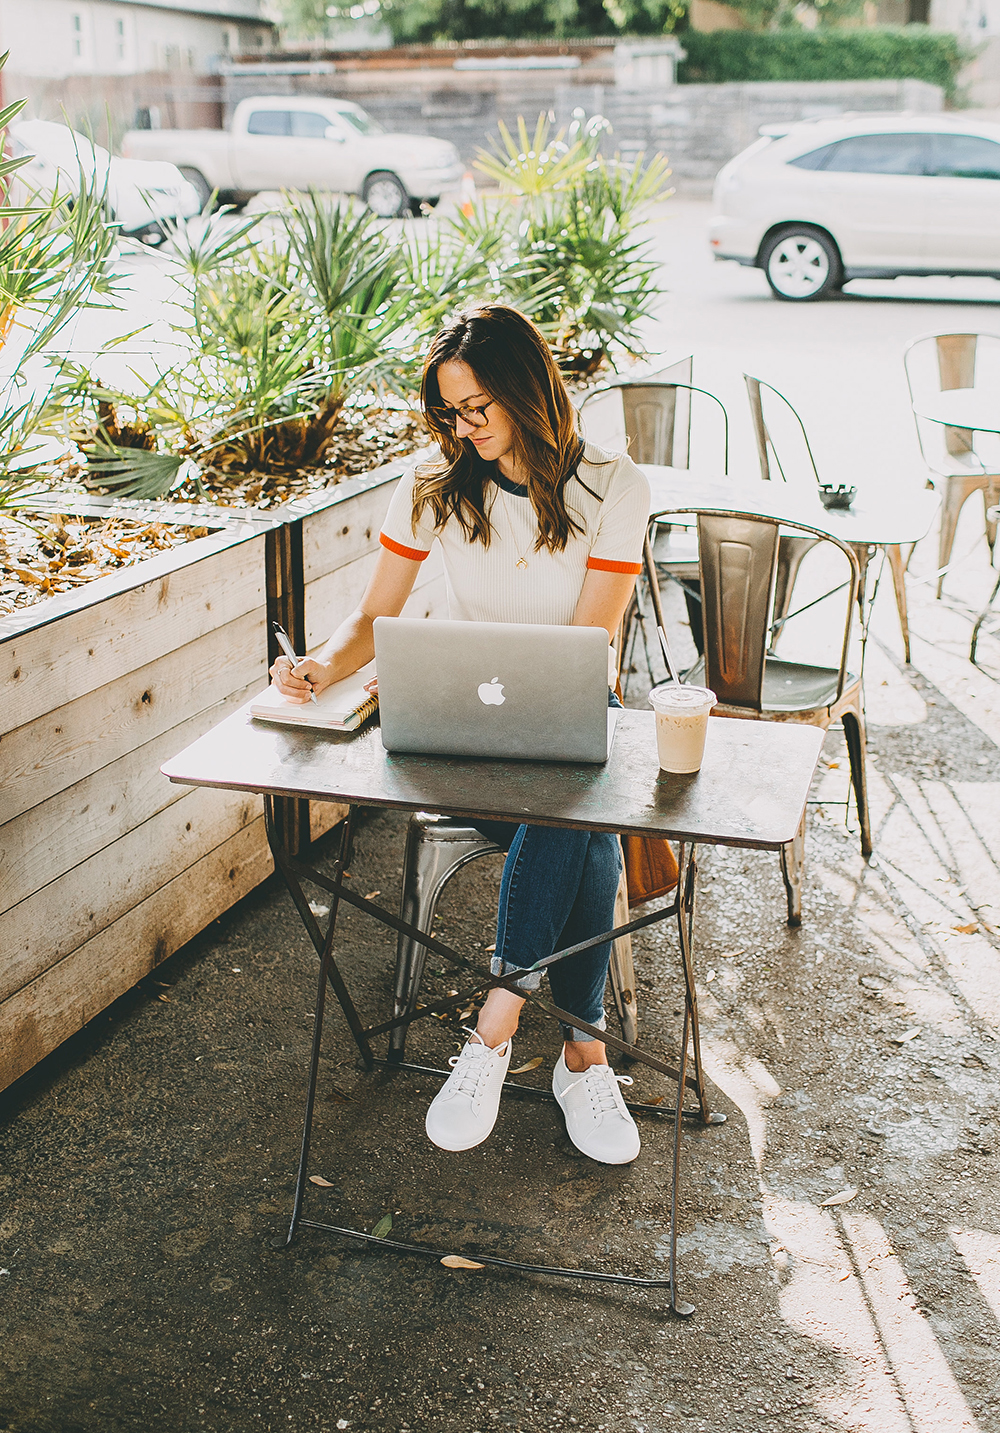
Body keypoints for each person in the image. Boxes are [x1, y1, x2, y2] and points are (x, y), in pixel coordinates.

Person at [269, 304, 650, 1165]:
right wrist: (320, 668)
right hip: (468, 729)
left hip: (574, 719)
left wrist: (545, 715)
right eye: (447, 411)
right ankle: (582, 1052)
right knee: (584, 839)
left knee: (571, 809)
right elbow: (373, 616)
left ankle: (493, 1027)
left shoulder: (613, 484)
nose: (462, 427)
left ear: (529, 389)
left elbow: (586, 652)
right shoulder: (434, 482)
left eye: (477, 407)